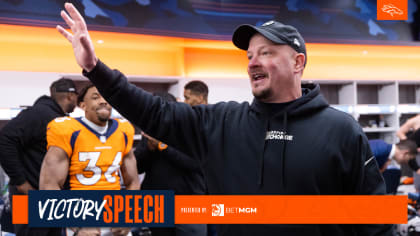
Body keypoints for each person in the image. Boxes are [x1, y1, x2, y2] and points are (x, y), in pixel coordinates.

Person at [57, 3, 391, 235]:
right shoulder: (221, 123)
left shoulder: (340, 130)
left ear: (298, 62)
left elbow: (375, 219)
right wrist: (94, 69)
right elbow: (154, 112)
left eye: (267, 53)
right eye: (249, 55)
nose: (252, 63)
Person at [39, 83, 140, 236]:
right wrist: (75, 223)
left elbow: (132, 181)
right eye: (95, 97)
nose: (103, 101)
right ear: (83, 105)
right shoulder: (67, 130)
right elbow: (48, 185)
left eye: (106, 97)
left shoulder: (124, 130)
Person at [0, 77, 77, 236]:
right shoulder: (40, 113)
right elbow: (5, 139)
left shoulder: (58, 118)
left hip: (47, 196)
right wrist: (20, 181)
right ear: (70, 96)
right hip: (29, 195)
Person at [134, 91, 206, 236]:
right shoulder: (150, 132)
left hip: (188, 203)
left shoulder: (190, 129)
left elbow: (196, 164)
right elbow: (138, 167)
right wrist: (149, 148)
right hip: (157, 204)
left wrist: (163, 147)